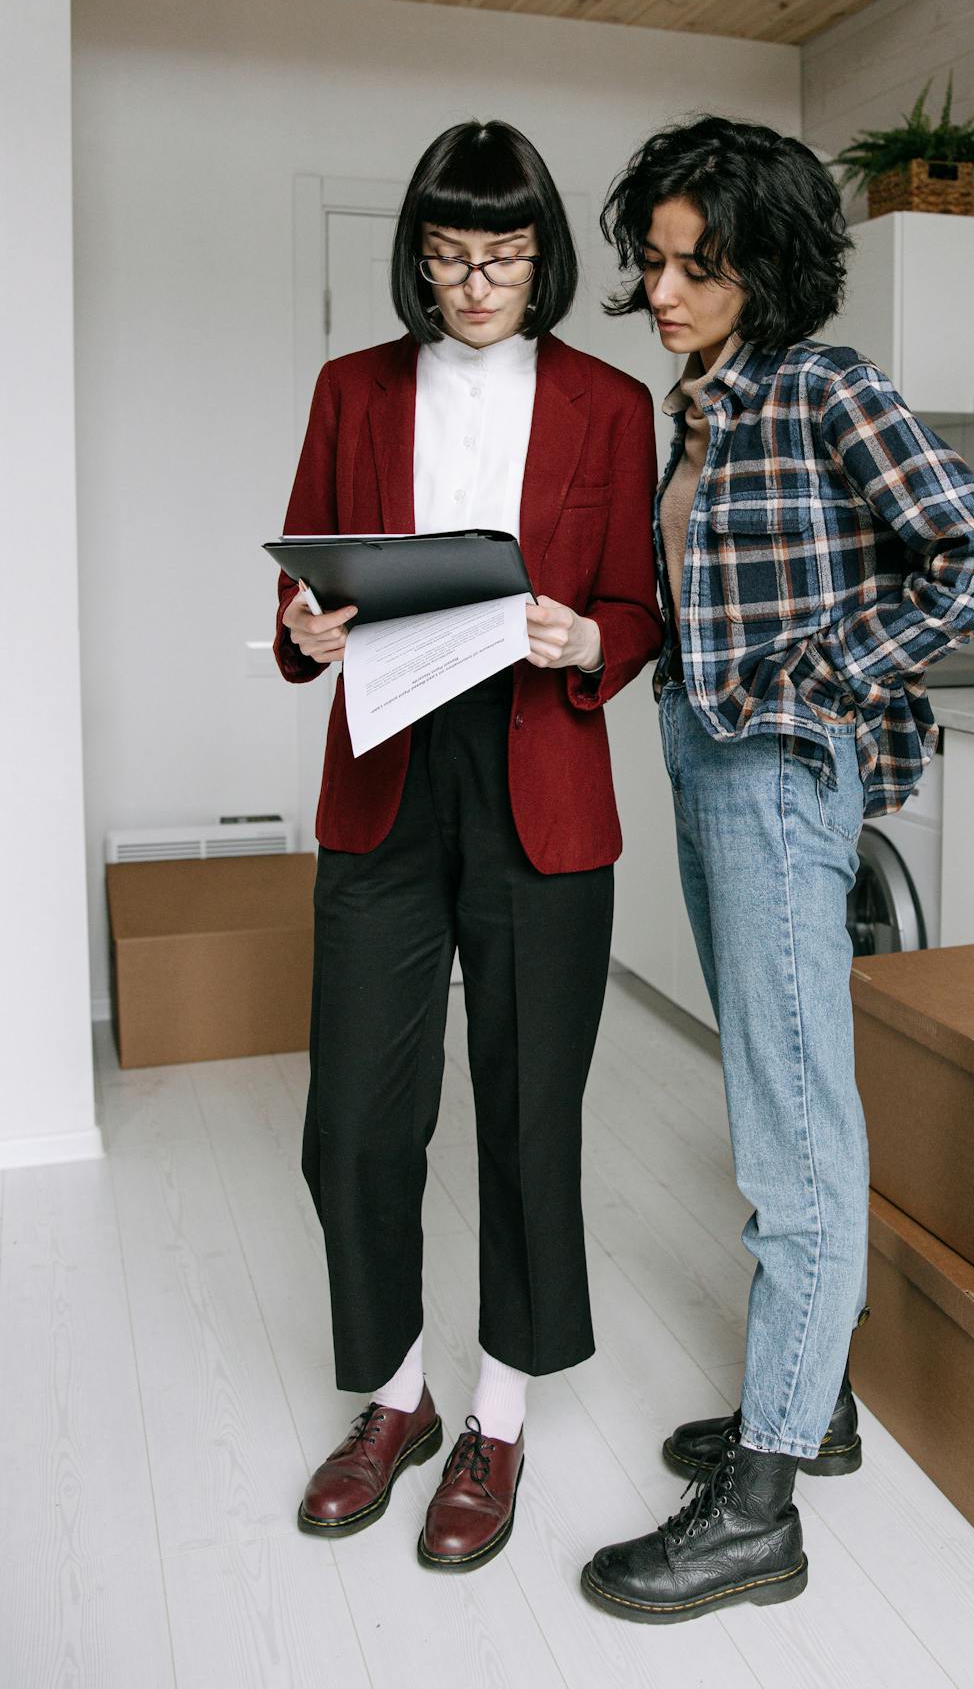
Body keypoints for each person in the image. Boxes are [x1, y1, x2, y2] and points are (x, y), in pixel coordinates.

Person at [581, 116, 974, 1622]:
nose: (660, 291)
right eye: (649, 263)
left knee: (794, 1133)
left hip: (775, 777)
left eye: (693, 268)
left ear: (761, 267)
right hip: (709, 765)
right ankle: (814, 1403)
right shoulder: (694, 406)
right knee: (764, 1090)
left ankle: (758, 1510)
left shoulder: (823, 389)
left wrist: (814, 683)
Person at [274, 119, 662, 1571]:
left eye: (503, 256)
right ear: (415, 257)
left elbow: (633, 608)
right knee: (355, 1126)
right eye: (448, 257)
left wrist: (585, 637)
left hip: (540, 783)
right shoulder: (350, 391)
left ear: (545, 256)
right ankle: (394, 1401)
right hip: (384, 775)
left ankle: (498, 1419)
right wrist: (305, 630)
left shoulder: (610, 406)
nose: (476, 284)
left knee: (524, 1118)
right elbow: (304, 582)